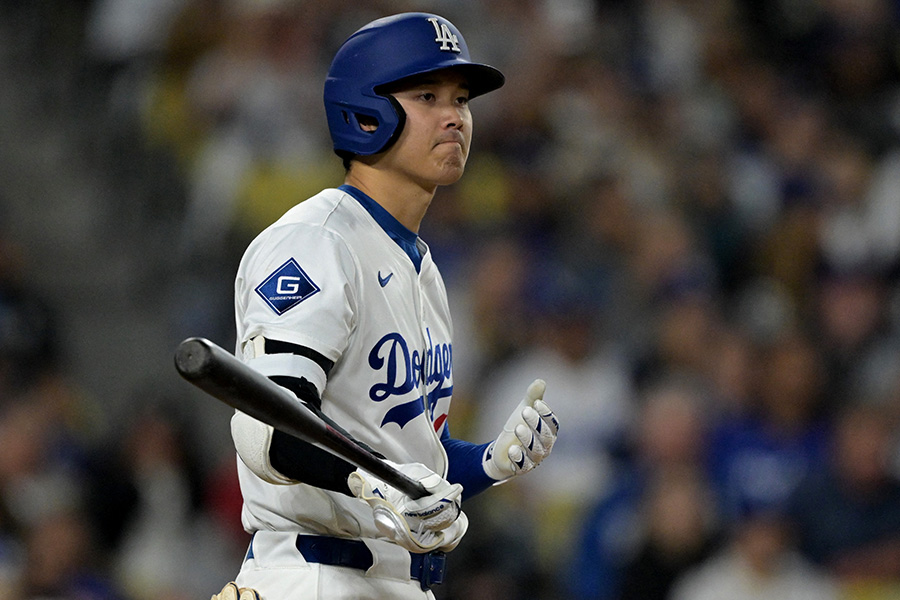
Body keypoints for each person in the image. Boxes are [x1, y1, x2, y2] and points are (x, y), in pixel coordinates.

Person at [215, 12, 559, 600]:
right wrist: (370, 480)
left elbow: (411, 457)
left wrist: (489, 463)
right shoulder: (317, 242)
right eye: (428, 95)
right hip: (315, 576)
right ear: (364, 110)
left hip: (393, 580)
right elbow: (267, 429)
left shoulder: (422, 267)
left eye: (461, 99)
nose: (455, 116)